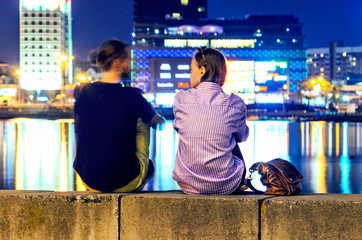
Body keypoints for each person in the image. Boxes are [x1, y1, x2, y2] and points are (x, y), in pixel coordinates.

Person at [73, 39, 165, 193]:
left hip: (88, 179)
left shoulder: (82, 93)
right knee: (143, 120)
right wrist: (148, 109)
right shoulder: (133, 96)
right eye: (128, 60)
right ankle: (132, 172)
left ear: (99, 61)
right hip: (123, 181)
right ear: (120, 64)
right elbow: (159, 124)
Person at [172, 47, 249, 195]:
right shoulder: (235, 103)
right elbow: (242, 137)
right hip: (227, 183)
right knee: (230, 137)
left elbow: (179, 129)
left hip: (187, 184)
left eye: (191, 69)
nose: (190, 74)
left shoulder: (181, 99)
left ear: (202, 70)